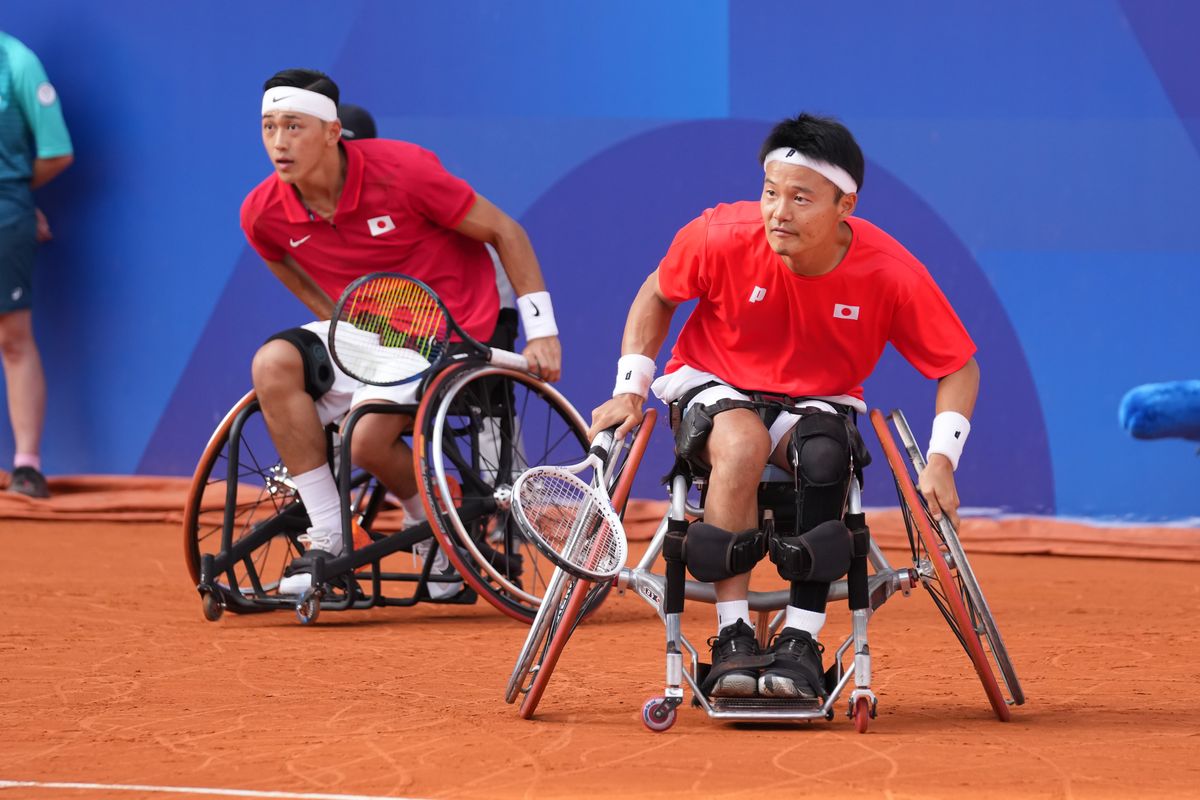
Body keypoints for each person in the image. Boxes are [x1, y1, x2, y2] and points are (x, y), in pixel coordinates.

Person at [590, 114, 978, 700]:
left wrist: (943, 459)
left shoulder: (889, 272)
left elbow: (957, 366)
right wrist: (630, 387)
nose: (778, 212)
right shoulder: (719, 233)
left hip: (817, 400)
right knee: (742, 442)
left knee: (825, 456)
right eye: (771, 193)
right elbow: (656, 293)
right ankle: (733, 634)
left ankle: (801, 638)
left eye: (801, 198)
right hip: (716, 382)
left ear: (845, 205)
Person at [240, 68, 562, 597]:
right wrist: (338, 321)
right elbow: (282, 260)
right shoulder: (262, 212)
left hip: (451, 328)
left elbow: (507, 231)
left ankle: (437, 530)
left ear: (331, 132)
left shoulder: (405, 171)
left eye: (293, 127)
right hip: (371, 334)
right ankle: (329, 535)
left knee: (366, 442)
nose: (279, 142)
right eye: (269, 127)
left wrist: (541, 330)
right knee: (272, 363)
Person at [0, 32, 73, 499]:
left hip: (5, 213)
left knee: (13, 338)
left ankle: (27, 467)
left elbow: (56, 151)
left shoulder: (17, 62)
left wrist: (17, 196)